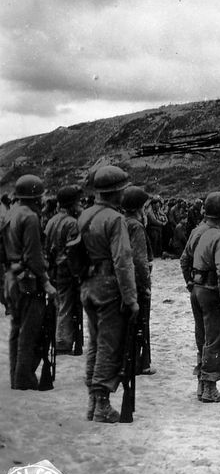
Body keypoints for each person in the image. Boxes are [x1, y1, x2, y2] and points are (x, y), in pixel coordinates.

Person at [80, 165, 139, 423]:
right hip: (108, 286)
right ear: (116, 192)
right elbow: (123, 261)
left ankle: (93, 402)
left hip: (88, 285)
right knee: (109, 343)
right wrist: (131, 298)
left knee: (95, 341)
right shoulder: (115, 219)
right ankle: (102, 403)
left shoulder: (85, 215)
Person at [1, 175, 57, 389]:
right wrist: (46, 282)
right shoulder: (31, 217)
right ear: (36, 197)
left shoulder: (10, 214)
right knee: (29, 330)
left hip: (11, 279)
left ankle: (17, 375)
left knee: (16, 329)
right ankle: (25, 377)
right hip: (28, 280)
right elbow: (34, 256)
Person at [180, 191, 220, 403]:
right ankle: (210, 388)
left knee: (202, 337)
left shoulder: (197, 231)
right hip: (212, 292)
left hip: (197, 289)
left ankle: (202, 384)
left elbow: (184, 260)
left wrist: (190, 282)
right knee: (214, 339)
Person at [44, 185, 84, 355]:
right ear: (72, 204)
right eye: (77, 202)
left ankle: (57, 338)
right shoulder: (72, 223)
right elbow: (72, 252)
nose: (80, 204)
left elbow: (45, 247)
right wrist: (77, 273)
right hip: (66, 270)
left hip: (52, 269)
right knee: (66, 306)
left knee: (58, 304)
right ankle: (63, 341)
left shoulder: (51, 220)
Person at [121, 186, 156, 376]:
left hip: (123, 280)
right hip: (136, 282)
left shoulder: (121, 222)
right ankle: (141, 363)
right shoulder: (136, 226)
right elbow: (140, 260)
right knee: (141, 323)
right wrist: (146, 286)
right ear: (138, 208)